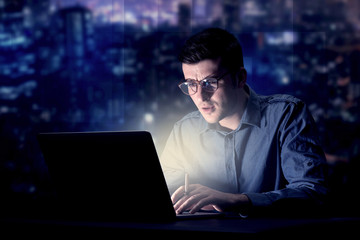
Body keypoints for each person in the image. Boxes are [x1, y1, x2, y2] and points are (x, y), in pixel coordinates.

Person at [160, 28, 328, 217]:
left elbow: (312, 192)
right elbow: (163, 192)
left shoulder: (286, 114)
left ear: (240, 78)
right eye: (191, 84)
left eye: (210, 83)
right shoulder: (184, 130)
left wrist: (237, 200)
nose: (200, 97)